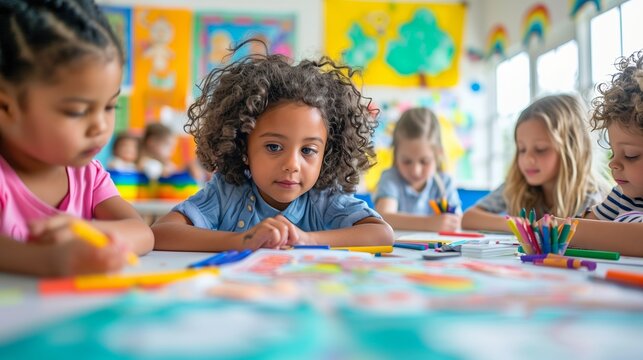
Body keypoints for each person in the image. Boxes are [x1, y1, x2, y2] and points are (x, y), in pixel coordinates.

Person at [152, 40, 394, 251]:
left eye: (308, 150)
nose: (292, 164)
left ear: (327, 153)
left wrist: (306, 239)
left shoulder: (324, 198)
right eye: (274, 147)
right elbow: (161, 233)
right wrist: (243, 240)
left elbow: (382, 233)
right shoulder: (227, 192)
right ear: (243, 147)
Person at [0, 0, 154, 277]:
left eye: (110, 107)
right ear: (6, 108)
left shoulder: (89, 176)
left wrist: (92, 232)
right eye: (77, 111)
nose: (100, 126)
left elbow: (143, 233)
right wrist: (48, 260)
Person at [462, 94, 607, 232]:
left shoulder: (592, 197)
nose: (527, 159)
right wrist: (521, 225)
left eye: (540, 149)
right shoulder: (516, 186)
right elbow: (469, 218)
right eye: (522, 149)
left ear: (573, 150)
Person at [566, 51, 643, 257]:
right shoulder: (621, 196)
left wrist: (565, 231)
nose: (613, 164)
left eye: (630, 155)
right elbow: (586, 224)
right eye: (613, 151)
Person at [374, 107, 462, 231]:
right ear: (395, 154)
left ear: (438, 154)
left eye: (424, 161)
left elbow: (456, 221)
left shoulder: (444, 183)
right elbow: (383, 217)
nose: (415, 170)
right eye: (407, 161)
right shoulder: (391, 178)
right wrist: (428, 224)